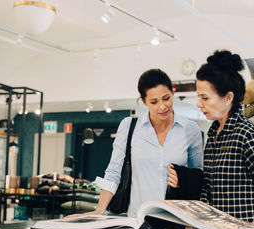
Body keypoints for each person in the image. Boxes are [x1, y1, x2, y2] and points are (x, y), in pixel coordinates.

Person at [68, 69, 203, 218]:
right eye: (154, 102)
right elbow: (114, 171)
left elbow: (198, 174)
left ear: (172, 93)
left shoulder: (190, 129)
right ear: (144, 101)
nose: (162, 106)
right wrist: (100, 210)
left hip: (177, 218)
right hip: (138, 218)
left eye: (166, 98)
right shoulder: (129, 127)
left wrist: (182, 181)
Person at [184, 50, 254, 229]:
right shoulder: (214, 135)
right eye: (199, 97)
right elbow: (208, 189)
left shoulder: (247, 136)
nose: (199, 104)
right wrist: (200, 222)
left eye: (205, 98)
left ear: (228, 98)